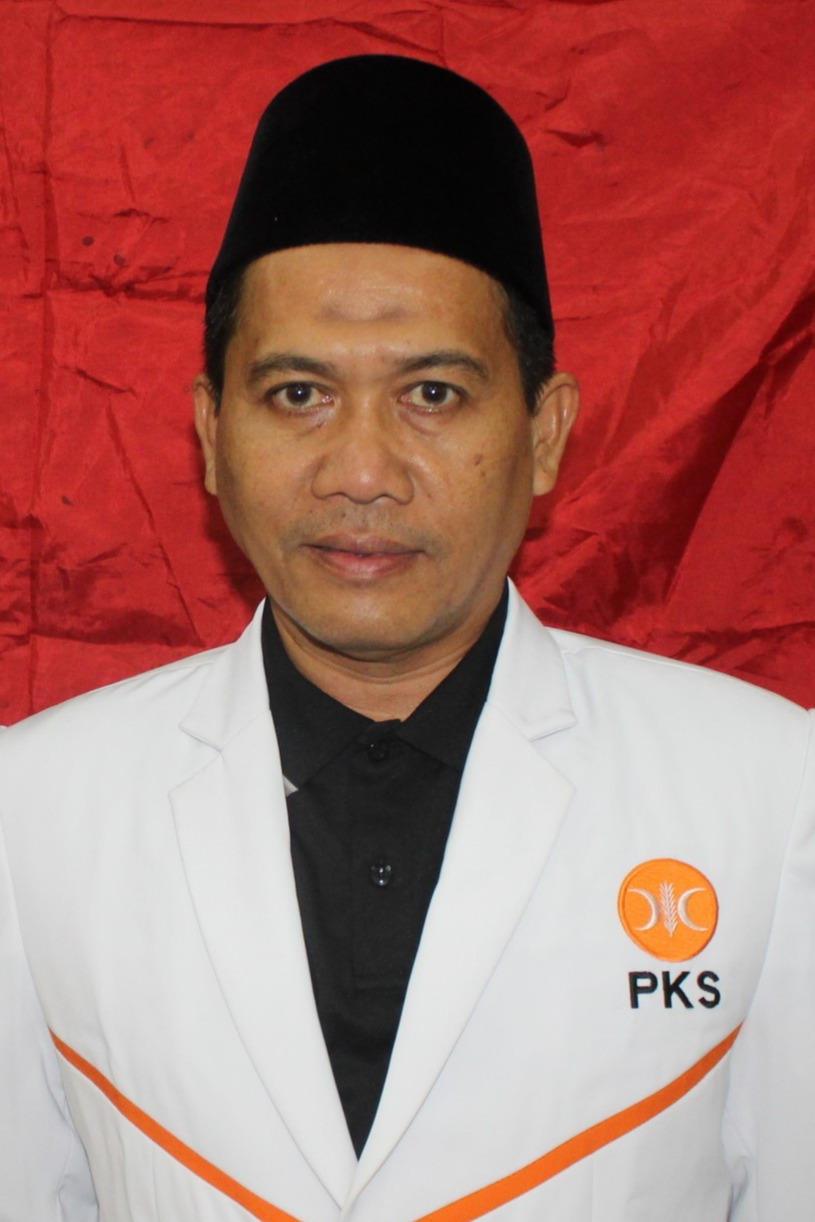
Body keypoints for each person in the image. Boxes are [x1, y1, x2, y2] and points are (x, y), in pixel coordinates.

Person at [0, 54, 813, 1222]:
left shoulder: (768, 793)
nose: (362, 472)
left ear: (542, 432)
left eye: (431, 393)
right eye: (298, 394)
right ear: (210, 436)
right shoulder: (34, 811)